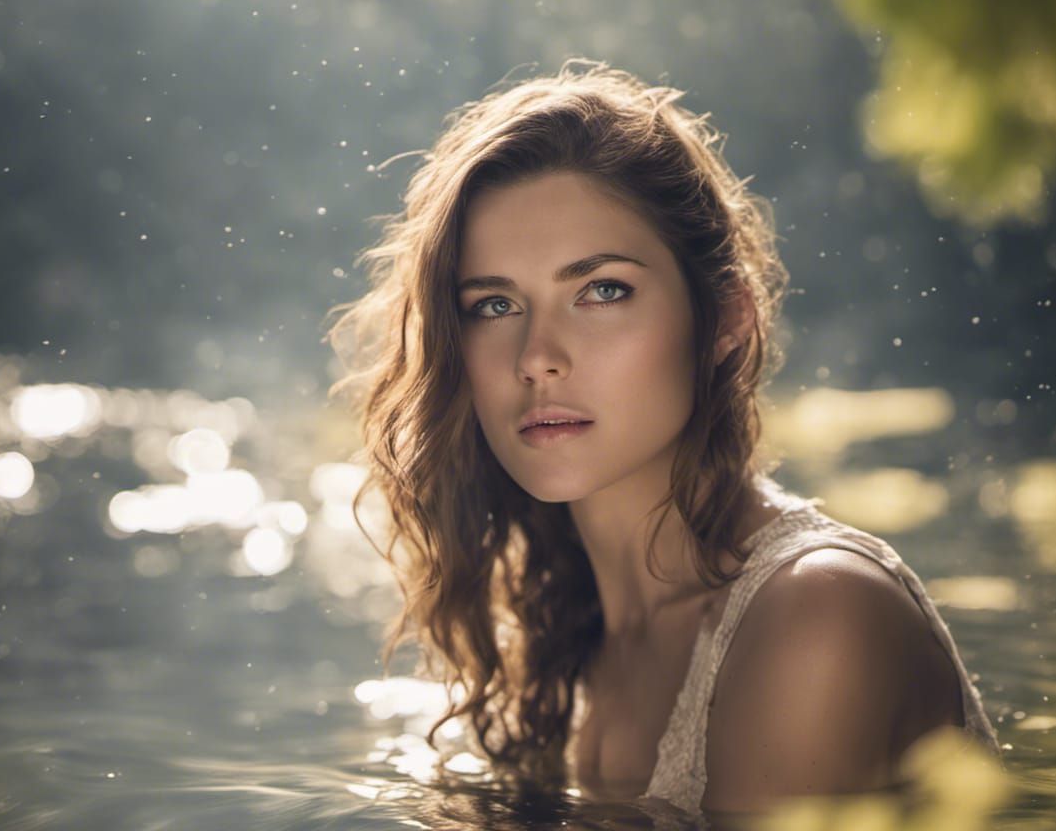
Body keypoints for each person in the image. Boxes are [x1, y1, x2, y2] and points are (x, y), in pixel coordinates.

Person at [327, 58, 1001, 818]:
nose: (537, 357)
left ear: (725, 320)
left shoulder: (817, 614)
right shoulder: (550, 627)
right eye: (494, 305)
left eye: (601, 290)